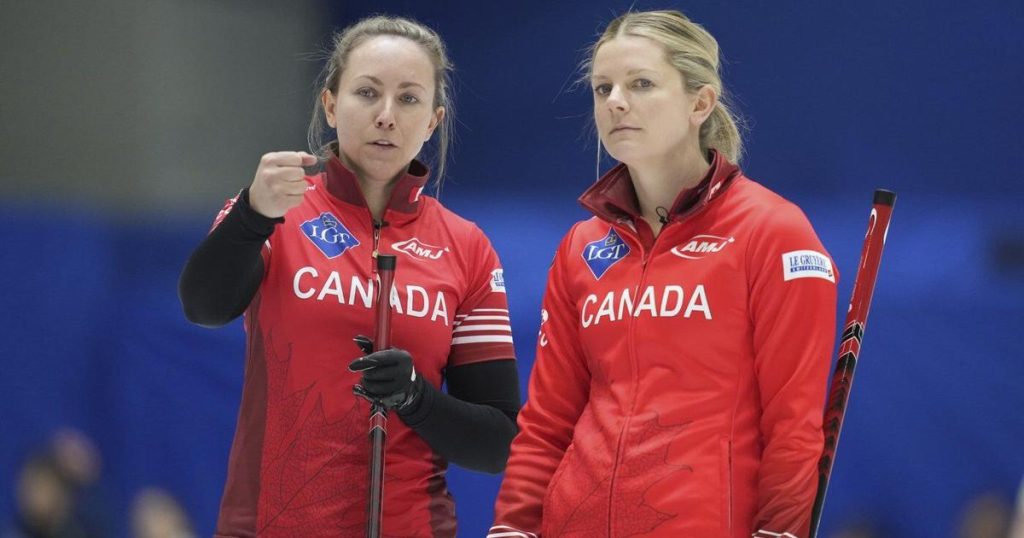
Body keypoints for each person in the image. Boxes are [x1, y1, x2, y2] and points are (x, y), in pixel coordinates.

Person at [490, 9, 837, 538]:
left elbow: (794, 427)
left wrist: (782, 531)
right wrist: (513, 528)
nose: (615, 102)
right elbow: (547, 422)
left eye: (641, 84)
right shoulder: (582, 247)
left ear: (700, 103)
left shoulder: (774, 231)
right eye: (602, 88)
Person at [178, 15, 521, 537]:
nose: (386, 115)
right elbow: (203, 307)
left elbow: (497, 441)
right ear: (331, 105)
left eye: (408, 99)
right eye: (367, 92)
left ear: (433, 121)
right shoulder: (275, 211)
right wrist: (252, 213)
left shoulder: (468, 248)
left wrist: (415, 397)